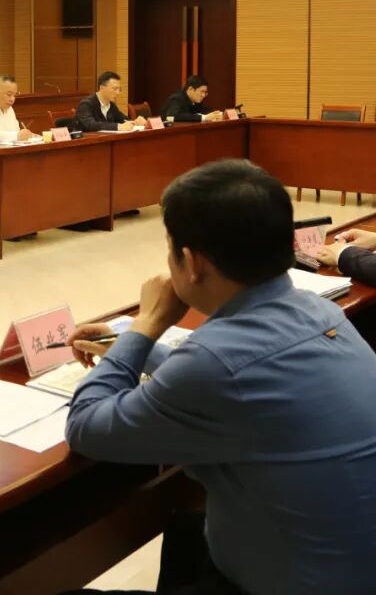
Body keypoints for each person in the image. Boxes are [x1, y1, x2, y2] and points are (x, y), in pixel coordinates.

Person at [63, 159, 376, 595]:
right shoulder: (321, 311)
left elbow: (85, 426)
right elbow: (236, 371)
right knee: (187, 534)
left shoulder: (215, 364)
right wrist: (132, 345)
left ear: (191, 262)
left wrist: (147, 324)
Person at [74, 71, 147, 132]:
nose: (118, 93)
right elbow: (91, 125)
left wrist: (135, 122)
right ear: (101, 88)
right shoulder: (86, 104)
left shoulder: (111, 105)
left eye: (119, 89)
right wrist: (118, 127)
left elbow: (124, 120)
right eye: (114, 89)